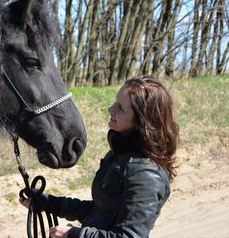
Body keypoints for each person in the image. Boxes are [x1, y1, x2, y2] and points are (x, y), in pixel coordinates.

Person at [19, 75, 179, 238]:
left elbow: (130, 236)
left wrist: (74, 234)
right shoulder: (121, 154)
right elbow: (100, 212)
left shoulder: (146, 174)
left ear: (141, 120)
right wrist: (49, 203)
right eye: (115, 103)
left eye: (120, 108)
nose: (111, 109)